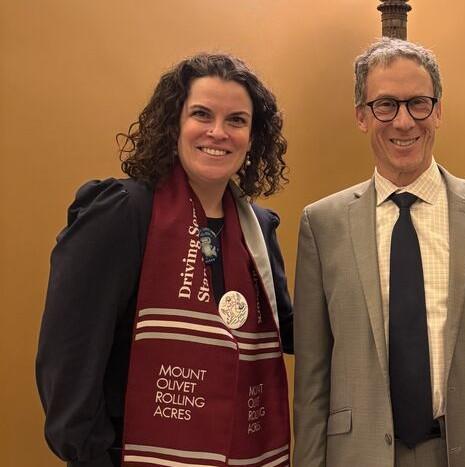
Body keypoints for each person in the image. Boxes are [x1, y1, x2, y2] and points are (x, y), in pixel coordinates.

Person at [36, 53, 293, 467]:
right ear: (174, 122)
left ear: (253, 136)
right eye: (202, 114)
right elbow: (67, 361)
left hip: (240, 452)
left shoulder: (257, 229)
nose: (218, 132)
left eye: (236, 120)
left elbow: (288, 326)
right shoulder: (121, 214)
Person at [292, 38, 465, 467]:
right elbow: (312, 377)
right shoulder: (322, 225)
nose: (404, 122)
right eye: (385, 105)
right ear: (362, 117)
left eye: (418, 104)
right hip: (357, 455)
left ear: (438, 111)